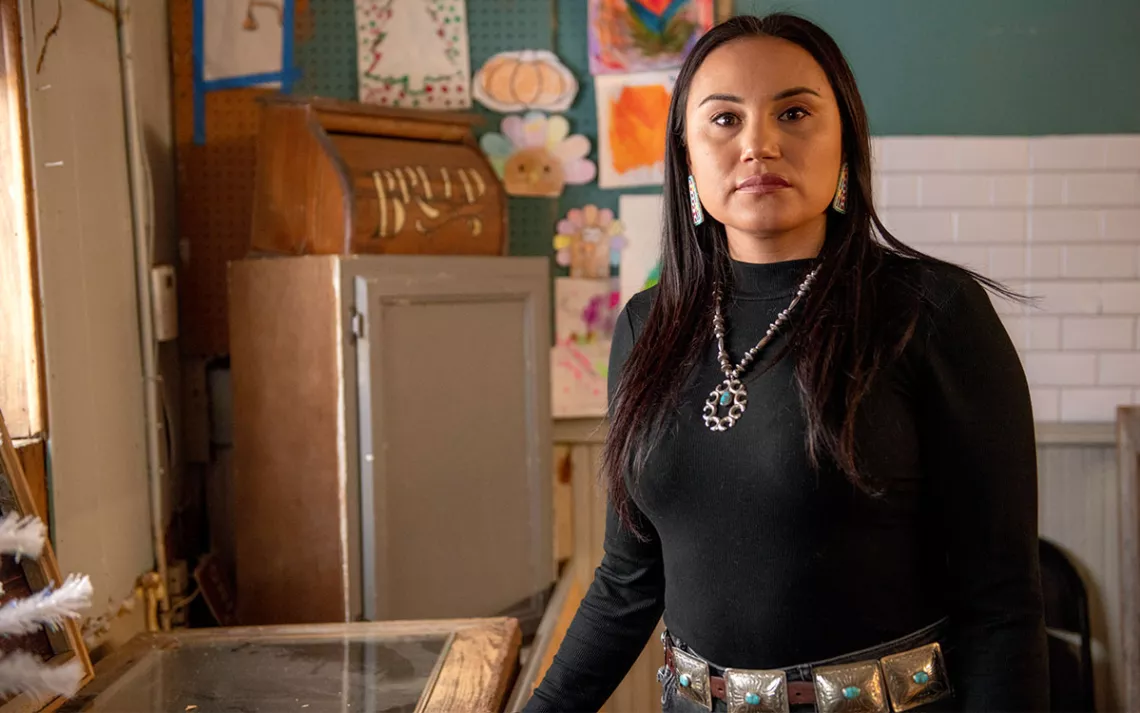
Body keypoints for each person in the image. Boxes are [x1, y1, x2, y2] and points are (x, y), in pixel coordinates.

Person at [523, 12, 1049, 713]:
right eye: (724, 119)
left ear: (845, 140)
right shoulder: (646, 328)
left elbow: (1002, 604)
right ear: (685, 153)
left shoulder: (930, 310)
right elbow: (628, 578)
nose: (759, 144)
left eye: (795, 112)